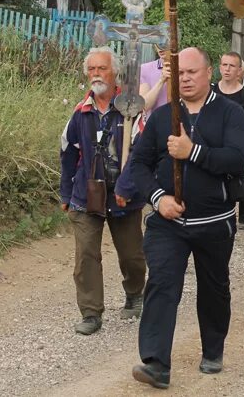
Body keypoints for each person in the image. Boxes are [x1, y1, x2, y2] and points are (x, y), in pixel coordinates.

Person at [116, 48, 244, 388]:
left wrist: (193, 152)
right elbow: (140, 164)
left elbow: (236, 159)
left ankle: (213, 348)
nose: (186, 79)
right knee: (161, 284)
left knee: (214, 287)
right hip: (167, 223)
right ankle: (156, 363)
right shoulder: (163, 116)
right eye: (180, 74)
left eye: (192, 72)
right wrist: (158, 199)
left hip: (214, 222)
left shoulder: (230, 114)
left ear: (208, 73)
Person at [60, 47, 147, 336]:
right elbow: (68, 152)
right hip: (86, 195)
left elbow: (142, 154)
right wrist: (65, 193)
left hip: (124, 196)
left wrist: (129, 187)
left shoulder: (131, 109)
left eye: (102, 69)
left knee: (132, 255)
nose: (96, 74)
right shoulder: (81, 112)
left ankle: (135, 294)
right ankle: (90, 312)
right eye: (92, 70)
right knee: (86, 254)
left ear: (115, 73)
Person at [213, 52, 244, 230]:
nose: (227, 69)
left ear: (240, 70)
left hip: (240, 144)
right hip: (216, 144)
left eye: (232, 66)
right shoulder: (212, 92)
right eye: (224, 65)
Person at [140, 48, 171, 114]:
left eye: (164, 41)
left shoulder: (184, 67)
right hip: (154, 122)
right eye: (157, 42)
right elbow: (144, 107)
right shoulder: (145, 69)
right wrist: (161, 81)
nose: (160, 48)